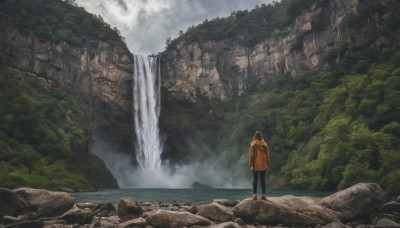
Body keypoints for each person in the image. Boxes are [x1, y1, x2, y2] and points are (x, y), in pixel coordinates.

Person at [249, 131, 270, 200]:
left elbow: (251, 155)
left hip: (256, 164)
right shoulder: (265, 144)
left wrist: (251, 164)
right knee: (262, 179)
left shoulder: (253, 144)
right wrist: (267, 163)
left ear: (255, 136)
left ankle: (255, 195)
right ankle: (263, 194)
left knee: (255, 179)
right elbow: (267, 155)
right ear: (261, 136)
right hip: (263, 163)